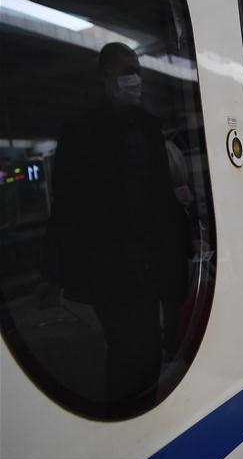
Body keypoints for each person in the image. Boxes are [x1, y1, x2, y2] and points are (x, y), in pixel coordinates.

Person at [51, 42, 188, 412]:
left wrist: (175, 278)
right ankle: (128, 418)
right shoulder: (81, 135)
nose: (136, 80)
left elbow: (164, 208)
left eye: (138, 72)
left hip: (150, 267)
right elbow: (67, 209)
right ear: (106, 79)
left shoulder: (148, 131)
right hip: (111, 270)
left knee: (147, 353)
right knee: (132, 352)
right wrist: (61, 274)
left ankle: (137, 414)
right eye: (129, 72)